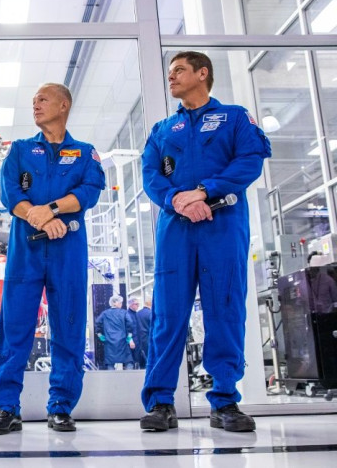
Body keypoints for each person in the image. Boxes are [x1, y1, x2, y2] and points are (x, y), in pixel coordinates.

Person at [139, 51, 271, 433]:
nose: (172, 77)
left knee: (225, 309)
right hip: (176, 228)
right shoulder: (163, 129)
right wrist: (177, 200)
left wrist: (204, 191)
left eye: (179, 70)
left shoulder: (233, 117)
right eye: (169, 72)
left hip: (223, 225)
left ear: (203, 73)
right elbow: (151, 174)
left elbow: (249, 161)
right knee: (167, 315)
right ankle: (161, 402)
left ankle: (225, 400)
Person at [0, 83, 105, 435]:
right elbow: (11, 193)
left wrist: (49, 211)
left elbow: (89, 191)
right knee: (14, 328)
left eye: (43, 99)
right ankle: (6, 408)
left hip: (68, 250)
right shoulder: (21, 150)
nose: (35, 104)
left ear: (63, 105)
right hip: (26, 251)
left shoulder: (84, 153)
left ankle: (61, 407)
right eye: (33, 99)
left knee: (68, 325)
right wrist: (36, 216)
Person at [94, 295, 135, 370]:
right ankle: (130, 379)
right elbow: (130, 323)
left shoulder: (105, 313)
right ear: (115, 303)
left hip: (109, 341)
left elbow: (97, 323)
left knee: (110, 363)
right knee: (128, 361)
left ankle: (111, 380)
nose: (121, 304)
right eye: (120, 303)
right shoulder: (124, 313)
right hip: (122, 341)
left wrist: (100, 335)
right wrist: (129, 336)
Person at [126, 298, 142, 368]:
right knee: (132, 360)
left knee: (137, 359)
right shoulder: (127, 315)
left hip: (138, 340)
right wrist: (130, 340)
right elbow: (127, 329)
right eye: (136, 304)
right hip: (132, 341)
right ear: (131, 305)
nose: (138, 306)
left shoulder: (136, 314)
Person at [136, 300, 152, 368]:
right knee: (149, 357)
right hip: (148, 338)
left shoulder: (137, 313)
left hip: (139, 339)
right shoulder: (150, 313)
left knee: (141, 359)